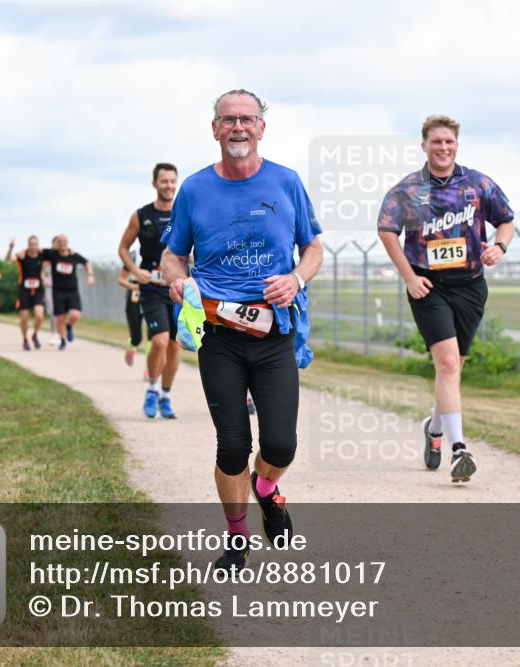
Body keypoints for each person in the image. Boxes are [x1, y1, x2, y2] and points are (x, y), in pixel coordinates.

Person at [162, 89, 323, 571]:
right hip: (218, 333)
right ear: (214, 129)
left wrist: (295, 278)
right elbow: (173, 254)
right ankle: (236, 538)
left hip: (273, 332)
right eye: (228, 120)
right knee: (232, 444)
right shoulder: (194, 190)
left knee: (280, 444)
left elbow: (313, 248)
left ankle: (267, 487)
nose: (237, 127)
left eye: (246, 119)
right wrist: (178, 280)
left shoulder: (286, 182)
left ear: (261, 128)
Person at [378, 114, 515, 483]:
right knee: (449, 364)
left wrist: (499, 247)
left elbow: (506, 219)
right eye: (436, 142)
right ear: (424, 145)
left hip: (470, 284)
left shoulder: (477, 184)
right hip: (429, 286)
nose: (443, 148)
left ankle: (434, 428)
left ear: (457, 145)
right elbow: (387, 230)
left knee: (454, 369)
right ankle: (460, 450)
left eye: (449, 142)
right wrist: (409, 277)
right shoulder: (407, 190)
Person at [118, 163, 183, 419]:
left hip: (177, 289)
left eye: (172, 181)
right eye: (164, 181)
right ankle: (152, 389)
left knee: (175, 347)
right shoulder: (141, 215)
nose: (168, 186)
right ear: (154, 184)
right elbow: (123, 247)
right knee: (159, 341)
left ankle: (166, 396)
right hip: (151, 288)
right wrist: (135, 270)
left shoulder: (184, 212)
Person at [41, 235, 94, 350]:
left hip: (72, 291)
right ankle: (63, 341)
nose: (62, 244)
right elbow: (37, 252)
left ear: (68, 242)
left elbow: (86, 262)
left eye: (64, 242)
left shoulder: (73, 255)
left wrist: (90, 275)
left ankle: (69, 326)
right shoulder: (52, 254)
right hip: (58, 292)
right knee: (60, 318)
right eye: (59, 242)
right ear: (56, 244)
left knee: (76, 314)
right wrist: (43, 277)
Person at [7, 236, 47, 351]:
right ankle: (25, 339)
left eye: (35, 244)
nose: (33, 246)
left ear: (38, 245)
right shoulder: (22, 255)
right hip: (24, 290)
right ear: (28, 245)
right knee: (24, 318)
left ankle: (34, 334)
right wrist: (10, 249)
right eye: (31, 244)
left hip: (38, 290)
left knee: (39, 315)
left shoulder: (42, 254)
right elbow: (9, 260)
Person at [117, 253, 145, 368]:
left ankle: (150, 371)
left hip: (156, 294)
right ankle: (132, 345)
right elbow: (121, 279)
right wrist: (134, 287)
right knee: (137, 338)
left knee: (155, 337)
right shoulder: (135, 255)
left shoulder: (166, 249)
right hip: (135, 295)